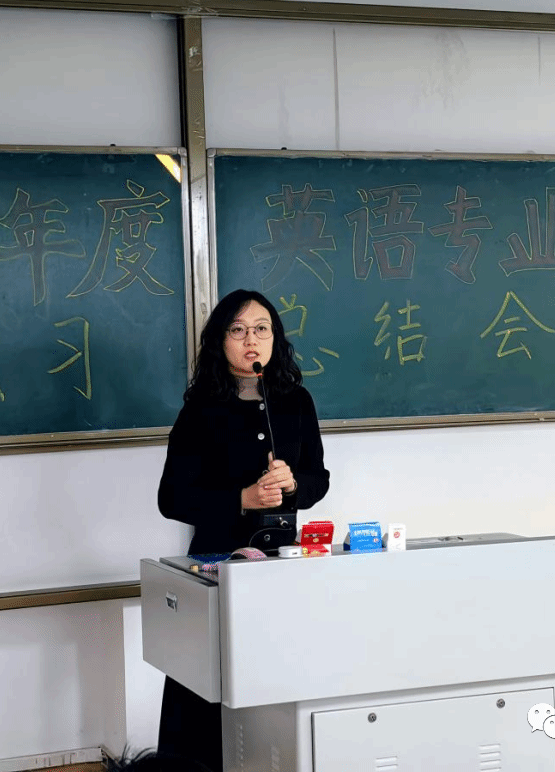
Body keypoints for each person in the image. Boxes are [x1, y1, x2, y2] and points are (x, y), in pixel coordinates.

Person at [155, 288, 330, 772]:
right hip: (216, 566)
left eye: (261, 329)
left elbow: (318, 479)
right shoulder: (200, 409)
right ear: (221, 341)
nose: (251, 340)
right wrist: (241, 499)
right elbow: (171, 499)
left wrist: (293, 484)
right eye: (238, 330)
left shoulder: (295, 401)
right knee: (203, 685)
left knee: (274, 678)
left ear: (276, 338)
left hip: (282, 567)